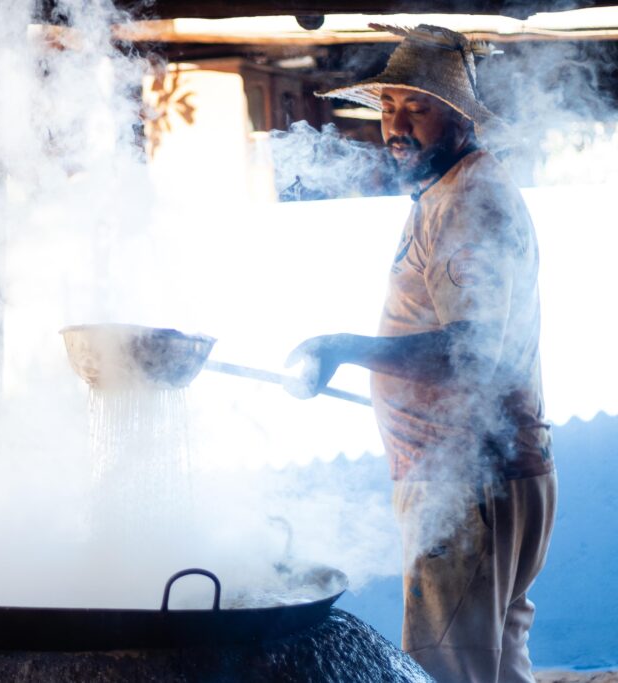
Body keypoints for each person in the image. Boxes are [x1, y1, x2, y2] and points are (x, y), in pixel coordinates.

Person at [283, 25, 557, 683]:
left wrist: (343, 347)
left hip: (467, 481)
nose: (397, 125)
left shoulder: (470, 200)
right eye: (388, 107)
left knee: (448, 673)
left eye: (419, 107)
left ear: (459, 116)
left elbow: (472, 355)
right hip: (477, 476)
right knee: (496, 668)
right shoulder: (449, 192)